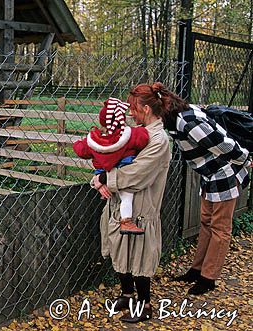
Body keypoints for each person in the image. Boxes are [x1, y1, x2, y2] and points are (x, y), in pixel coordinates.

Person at [153, 82, 253, 295]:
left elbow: (221, 143)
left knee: (220, 228)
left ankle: (209, 278)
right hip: (210, 174)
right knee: (206, 222)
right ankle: (197, 270)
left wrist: (245, 158)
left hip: (225, 173)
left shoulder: (188, 123)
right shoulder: (177, 117)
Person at [91, 84, 171, 323]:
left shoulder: (159, 139)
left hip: (143, 207)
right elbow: (107, 153)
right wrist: (97, 177)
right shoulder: (135, 132)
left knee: (139, 256)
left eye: (134, 110)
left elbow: (137, 174)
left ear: (146, 109)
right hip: (119, 202)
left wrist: (106, 177)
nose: (130, 115)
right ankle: (126, 294)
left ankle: (144, 304)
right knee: (119, 250)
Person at [73, 97, 149, 234]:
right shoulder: (130, 135)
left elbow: (81, 150)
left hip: (103, 171)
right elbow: (143, 138)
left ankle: (107, 190)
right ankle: (126, 221)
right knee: (127, 195)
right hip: (122, 170)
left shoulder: (94, 139)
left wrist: (78, 143)